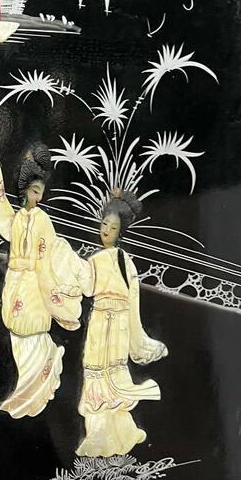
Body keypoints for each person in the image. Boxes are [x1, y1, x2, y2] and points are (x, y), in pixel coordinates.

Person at [0, 141, 82, 417]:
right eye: (33, 190)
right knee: (17, 338)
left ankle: (33, 390)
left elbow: (49, 255)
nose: (37, 196)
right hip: (15, 285)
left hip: (34, 285)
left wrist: (56, 294)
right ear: (24, 191)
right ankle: (23, 388)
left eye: (40, 191)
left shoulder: (43, 221)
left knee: (31, 336)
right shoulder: (17, 219)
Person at [75, 191, 167, 457]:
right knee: (102, 376)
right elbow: (93, 289)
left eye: (113, 227)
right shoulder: (103, 260)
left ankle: (114, 434)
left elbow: (105, 291)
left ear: (120, 232)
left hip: (113, 325)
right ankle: (107, 434)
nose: (106, 230)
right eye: (104, 224)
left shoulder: (117, 261)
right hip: (105, 322)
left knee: (108, 375)